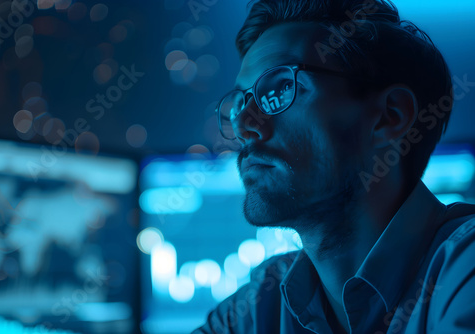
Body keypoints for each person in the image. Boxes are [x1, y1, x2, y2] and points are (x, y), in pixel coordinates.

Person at [193, 0, 475, 333]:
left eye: (281, 88)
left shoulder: (464, 270)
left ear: (390, 116)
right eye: (241, 103)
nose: (243, 127)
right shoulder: (257, 306)